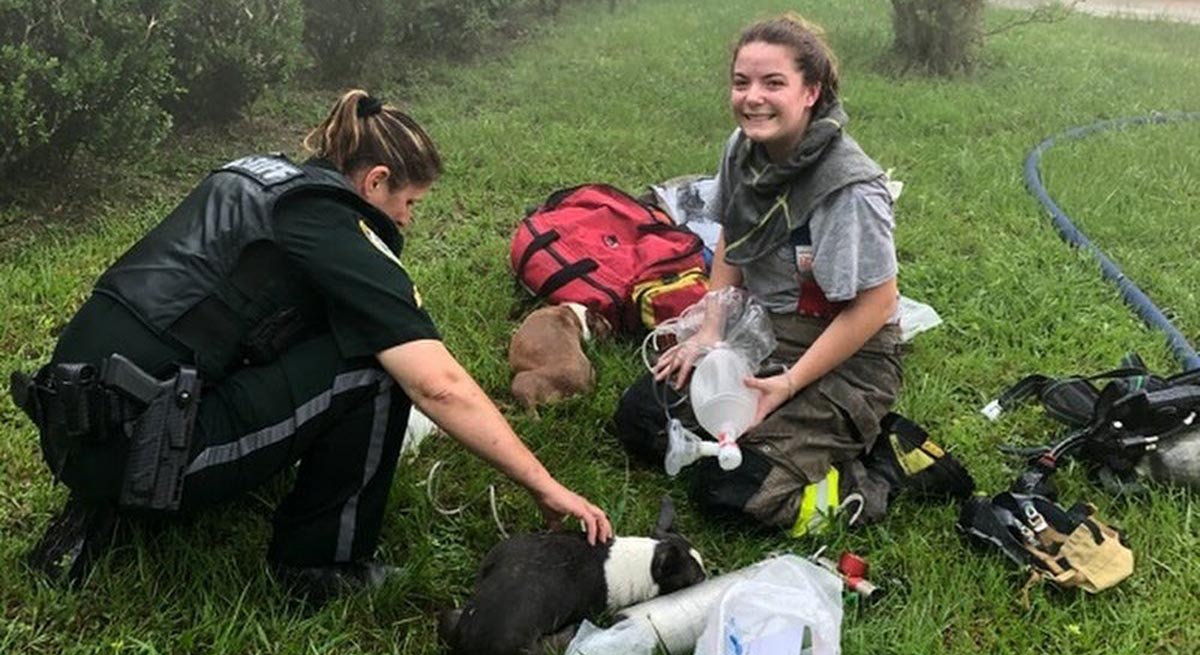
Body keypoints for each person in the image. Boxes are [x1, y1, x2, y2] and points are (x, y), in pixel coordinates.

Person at [12, 89, 612, 604]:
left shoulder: (253, 176)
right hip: (141, 455)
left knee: (307, 336)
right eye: (409, 203)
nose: (407, 221)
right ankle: (319, 566)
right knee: (377, 370)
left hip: (69, 428)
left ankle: (110, 493)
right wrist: (542, 483)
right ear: (375, 180)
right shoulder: (328, 220)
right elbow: (438, 385)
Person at [621, 15, 905, 532]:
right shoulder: (744, 150)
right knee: (640, 416)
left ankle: (871, 475)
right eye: (741, 82)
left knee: (733, 494)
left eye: (773, 83)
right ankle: (767, 438)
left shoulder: (848, 189)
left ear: (810, 92)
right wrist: (710, 332)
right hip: (767, 331)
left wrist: (789, 384)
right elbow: (734, 233)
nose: (753, 98)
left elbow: (877, 305)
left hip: (848, 356)